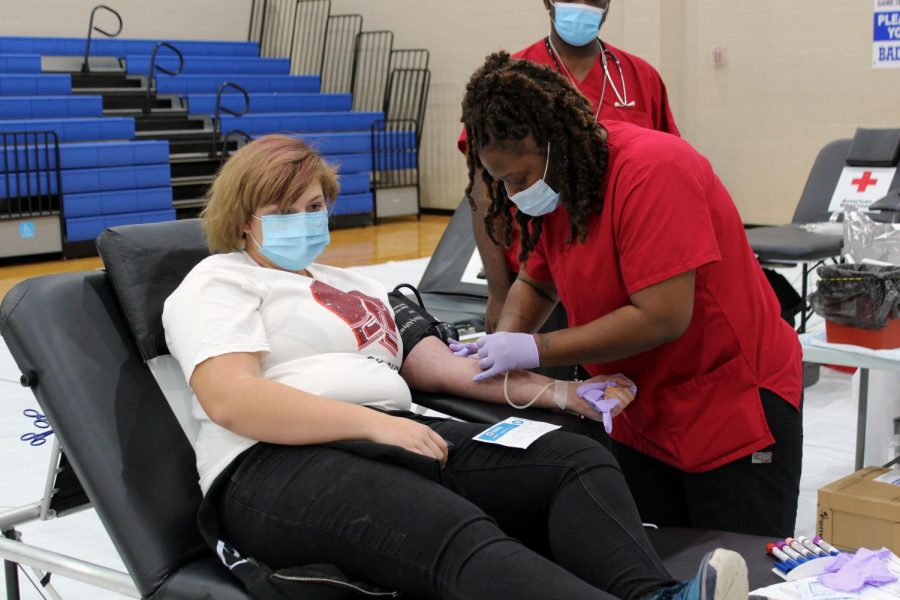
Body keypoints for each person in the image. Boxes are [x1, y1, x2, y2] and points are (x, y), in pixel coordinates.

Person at [161, 134, 749, 600]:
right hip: (273, 463)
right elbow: (231, 399)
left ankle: (652, 596)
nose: (306, 219)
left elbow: (441, 369)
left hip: (404, 432)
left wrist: (561, 395)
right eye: (283, 211)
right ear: (244, 219)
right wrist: (372, 424)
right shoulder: (221, 280)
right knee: (449, 527)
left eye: (314, 206)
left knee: (573, 459)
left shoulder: (352, 285)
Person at [457, 53, 804, 539]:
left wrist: (536, 349)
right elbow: (537, 280)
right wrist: (503, 341)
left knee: (735, 566)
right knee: (659, 562)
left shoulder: (653, 170)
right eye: (503, 182)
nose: (514, 193)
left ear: (557, 145)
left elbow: (662, 318)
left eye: (519, 177)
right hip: (640, 406)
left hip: (730, 399)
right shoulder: (560, 188)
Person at [460, 0, 680, 333]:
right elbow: (484, 194)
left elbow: (668, 175)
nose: (582, 4)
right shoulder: (510, 82)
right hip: (534, 279)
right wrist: (498, 291)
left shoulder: (640, 77)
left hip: (626, 277)